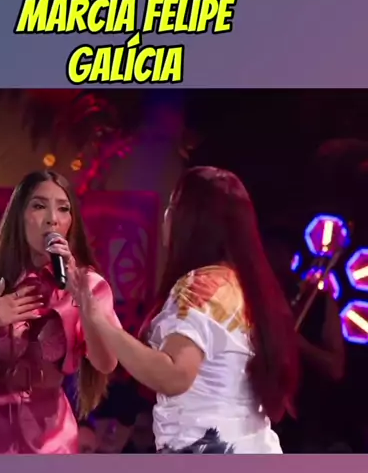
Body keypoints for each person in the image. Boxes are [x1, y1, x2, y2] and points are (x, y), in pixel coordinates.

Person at [70, 167, 299, 454]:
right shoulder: (242, 286)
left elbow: (174, 375)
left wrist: (98, 319)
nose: (166, 216)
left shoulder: (201, 285)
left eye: (173, 205)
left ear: (192, 221)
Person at [0, 170, 120, 454]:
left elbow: (106, 362)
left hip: (49, 439)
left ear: (71, 222)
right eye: (39, 206)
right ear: (19, 216)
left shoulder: (88, 285)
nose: (52, 218)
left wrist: (82, 299)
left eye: (63, 209)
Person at [264, 228, 345, 452]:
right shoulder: (251, 298)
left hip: (305, 426)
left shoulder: (318, 301)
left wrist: (300, 344)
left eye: (277, 253)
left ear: (290, 257)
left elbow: (336, 368)